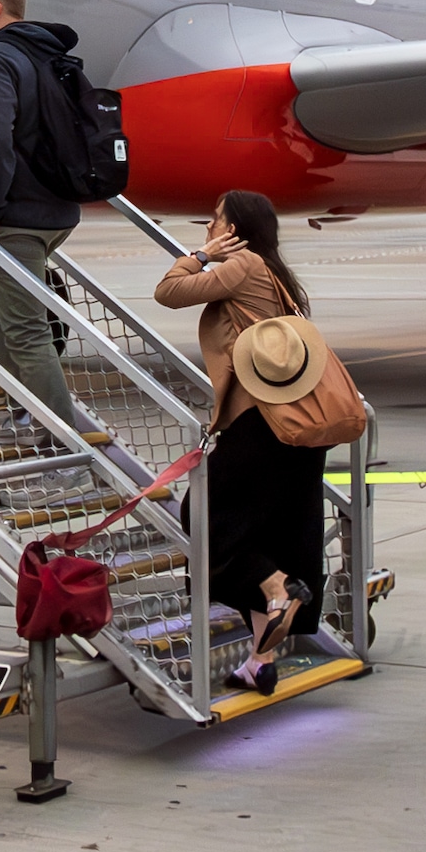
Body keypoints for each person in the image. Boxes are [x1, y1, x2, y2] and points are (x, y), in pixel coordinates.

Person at [156, 189, 329, 684]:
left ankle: (278, 589)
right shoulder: (277, 276)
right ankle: (260, 662)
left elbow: (168, 291)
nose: (207, 229)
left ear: (235, 230)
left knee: (204, 518)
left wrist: (203, 257)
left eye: (215, 221)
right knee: (265, 535)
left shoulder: (244, 265)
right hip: (295, 430)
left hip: (259, 426)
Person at [0, 0, 85, 424]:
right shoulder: (44, 53)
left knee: (27, 332)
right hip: (58, 211)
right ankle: (31, 406)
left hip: (18, 218)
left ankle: (61, 447)